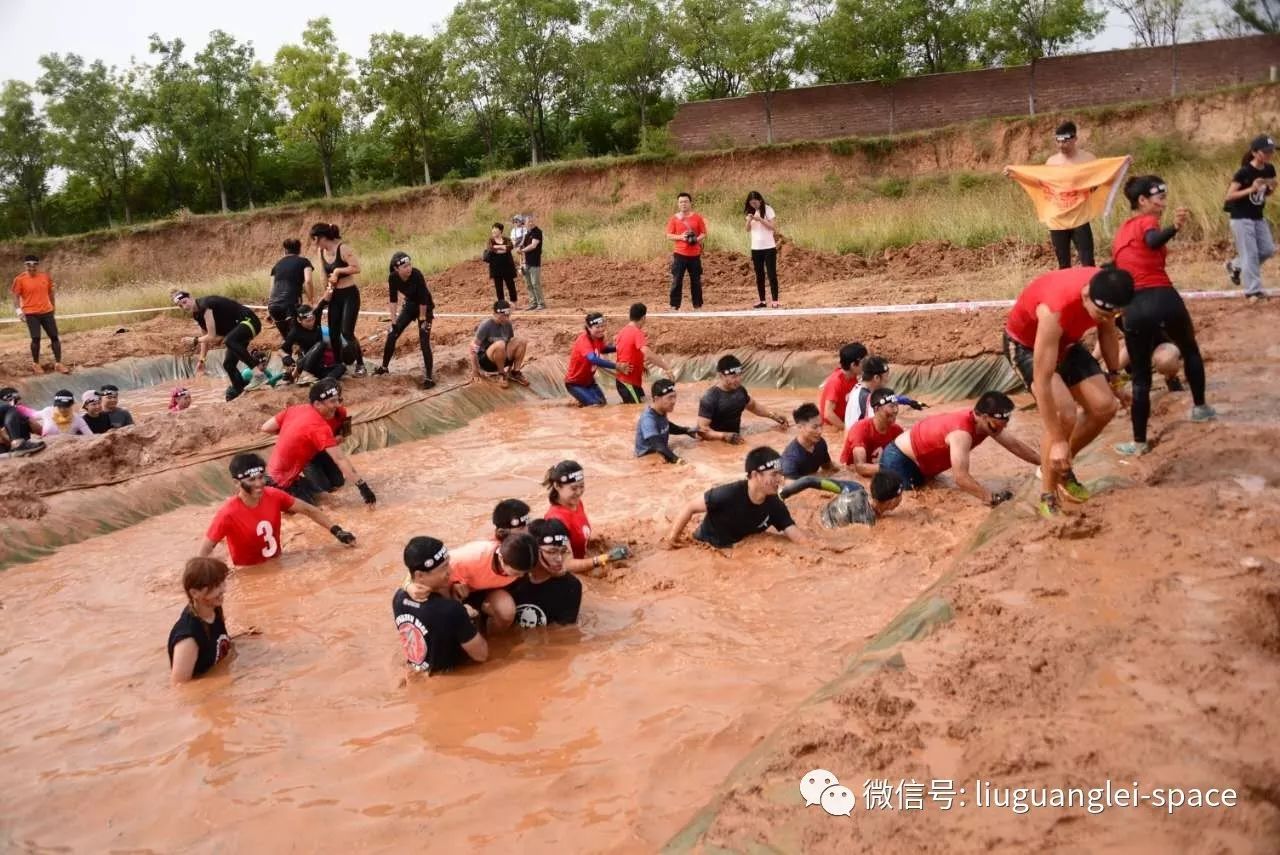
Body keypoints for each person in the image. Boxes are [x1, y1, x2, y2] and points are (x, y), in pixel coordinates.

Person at [1003, 266, 1133, 516]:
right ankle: (1048, 493)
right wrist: (1059, 440)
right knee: (1065, 415)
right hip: (1027, 346)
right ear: (1085, 296)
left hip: (1068, 342)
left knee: (1105, 406)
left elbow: (1107, 333)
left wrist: (1115, 380)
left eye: (1113, 315)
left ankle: (1060, 468)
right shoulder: (1055, 309)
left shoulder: (1105, 289)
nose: (1107, 319)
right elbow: (1042, 381)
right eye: (1102, 314)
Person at [1111, 175, 1215, 456]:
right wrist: (1175, 227)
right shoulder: (1147, 222)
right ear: (1142, 201)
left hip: (1135, 306)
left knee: (1142, 378)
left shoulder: (1121, 232)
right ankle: (1200, 407)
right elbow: (1154, 240)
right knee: (1190, 350)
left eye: (1164, 195)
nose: (1163, 201)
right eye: (1158, 196)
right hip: (1163, 296)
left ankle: (1139, 442)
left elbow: (1118, 267)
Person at [879, 391, 1040, 507]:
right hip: (899, 460)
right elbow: (961, 478)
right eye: (997, 426)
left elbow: (1016, 446)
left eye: (1003, 426)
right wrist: (992, 498)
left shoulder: (988, 425)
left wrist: (1044, 462)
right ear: (983, 417)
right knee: (906, 504)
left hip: (921, 463)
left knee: (926, 493)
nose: (1000, 430)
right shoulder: (962, 434)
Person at [198, 452, 356, 567]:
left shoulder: (274, 495)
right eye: (251, 479)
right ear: (236, 483)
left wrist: (337, 531)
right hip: (248, 573)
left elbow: (309, 510)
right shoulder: (228, 513)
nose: (259, 484)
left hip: (278, 561)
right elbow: (205, 550)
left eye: (261, 477)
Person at [261, 379, 377, 506]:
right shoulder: (319, 427)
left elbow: (266, 427)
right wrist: (363, 488)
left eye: (338, 400)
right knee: (315, 507)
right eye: (332, 401)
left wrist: (292, 434)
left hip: (286, 476)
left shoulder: (295, 409)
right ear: (317, 404)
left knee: (332, 497)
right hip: (279, 482)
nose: (337, 405)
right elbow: (340, 459)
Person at [666, 446, 807, 548]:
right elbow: (690, 507)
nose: (780, 479)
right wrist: (672, 538)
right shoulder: (727, 494)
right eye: (774, 474)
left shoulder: (775, 505)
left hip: (739, 548)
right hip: (705, 546)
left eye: (780, 474)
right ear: (755, 475)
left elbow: (796, 536)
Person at [393, 536, 489, 674]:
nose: (450, 571)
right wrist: (472, 619)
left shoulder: (398, 598)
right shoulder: (451, 610)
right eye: (444, 568)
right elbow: (481, 655)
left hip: (418, 670)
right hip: (452, 677)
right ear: (420, 575)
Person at [172, 289, 267, 401]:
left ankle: (258, 374)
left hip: (249, 321)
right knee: (228, 364)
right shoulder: (197, 315)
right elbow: (206, 339)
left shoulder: (204, 306)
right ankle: (241, 392)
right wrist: (202, 360)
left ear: (191, 297)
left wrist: (194, 340)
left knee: (229, 341)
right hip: (236, 332)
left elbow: (211, 336)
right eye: (181, 306)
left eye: (184, 302)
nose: (185, 306)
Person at [542, 460, 631, 573]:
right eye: (573, 488)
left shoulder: (576, 503)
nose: (579, 492)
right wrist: (604, 558)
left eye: (582, 486)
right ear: (557, 486)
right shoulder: (556, 520)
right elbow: (566, 565)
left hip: (584, 560)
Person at [445, 531, 539, 633]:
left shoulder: (526, 561)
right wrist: (455, 600)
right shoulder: (468, 559)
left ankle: (493, 642)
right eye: (516, 573)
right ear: (501, 559)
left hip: (486, 591)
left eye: (525, 573)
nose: (521, 576)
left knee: (506, 612)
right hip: (457, 591)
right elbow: (436, 577)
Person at [310, 222, 367, 377]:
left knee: (347, 332)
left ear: (321, 237)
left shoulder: (343, 248)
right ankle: (338, 364)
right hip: (334, 295)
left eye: (314, 239)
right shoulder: (321, 252)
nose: (314, 243)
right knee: (334, 333)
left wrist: (338, 270)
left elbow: (356, 268)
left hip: (349, 294)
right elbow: (322, 273)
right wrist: (326, 293)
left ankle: (360, 364)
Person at [1224, 134, 1276, 304]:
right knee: (1250, 254)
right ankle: (1253, 291)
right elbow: (1229, 196)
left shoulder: (1269, 169)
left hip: (1257, 216)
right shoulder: (1244, 172)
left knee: (1268, 249)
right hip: (1241, 217)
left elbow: (1265, 193)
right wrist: (1251, 188)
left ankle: (1236, 265)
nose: (1270, 154)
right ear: (1254, 152)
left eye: (1272, 150)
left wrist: (1271, 188)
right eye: (1266, 151)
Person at [168, 557, 234, 684]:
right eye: (215, 586)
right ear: (194, 593)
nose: (223, 589)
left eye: (222, 582)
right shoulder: (188, 639)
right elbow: (180, 686)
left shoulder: (214, 608)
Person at [509, 518, 583, 627]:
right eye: (551, 552)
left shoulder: (571, 586)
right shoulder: (512, 574)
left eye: (563, 551)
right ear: (533, 549)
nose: (559, 559)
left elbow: (564, 635)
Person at [377, 251, 436, 388]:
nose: (409, 268)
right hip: (410, 306)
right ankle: (384, 367)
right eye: (405, 267)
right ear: (396, 269)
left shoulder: (417, 274)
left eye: (409, 265)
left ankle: (429, 377)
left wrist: (423, 321)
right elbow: (393, 300)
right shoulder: (393, 277)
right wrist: (393, 322)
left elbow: (423, 299)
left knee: (424, 341)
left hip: (425, 307)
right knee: (392, 334)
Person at [697, 354, 788, 443]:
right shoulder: (710, 398)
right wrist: (724, 436)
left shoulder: (740, 390)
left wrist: (774, 416)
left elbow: (753, 406)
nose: (739, 379)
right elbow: (702, 431)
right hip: (715, 443)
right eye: (734, 377)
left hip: (736, 437)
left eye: (740, 375)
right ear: (721, 376)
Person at [777, 402, 860, 498]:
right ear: (800, 427)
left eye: (821, 425)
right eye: (815, 427)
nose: (820, 431)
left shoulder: (820, 443)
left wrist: (848, 471)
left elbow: (829, 467)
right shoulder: (790, 458)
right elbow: (792, 492)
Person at [1044, 121, 1097, 268]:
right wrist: (1015, 173)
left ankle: (1091, 290)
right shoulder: (1051, 162)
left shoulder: (1088, 159)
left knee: (1087, 262)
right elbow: (1043, 184)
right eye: (1058, 141)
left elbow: (1101, 177)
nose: (1061, 145)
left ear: (1074, 139)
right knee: (1063, 264)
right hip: (1058, 221)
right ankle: (1067, 291)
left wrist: (1123, 163)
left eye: (1065, 141)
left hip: (1080, 219)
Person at [11, 254, 67, 375]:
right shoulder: (19, 279)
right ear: (25, 265)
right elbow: (15, 297)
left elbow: (51, 293)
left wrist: (53, 307)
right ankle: (36, 364)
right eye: (28, 264)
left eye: (34, 264)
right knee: (36, 338)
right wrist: (19, 312)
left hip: (47, 312)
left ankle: (58, 363)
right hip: (31, 313)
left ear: (38, 265)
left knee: (54, 337)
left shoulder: (45, 277)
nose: (32, 267)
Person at [564, 312, 629, 407]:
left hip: (589, 382)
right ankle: (579, 400)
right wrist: (616, 366)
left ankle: (580, 401)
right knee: (595, 405)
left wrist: (619, 347)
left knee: (602, 403)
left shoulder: (598, 338)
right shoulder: (584, 340)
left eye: (602, 326)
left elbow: (603, 349)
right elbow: (593, 359)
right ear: (589, 328)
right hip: (575, 384)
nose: (601, 329)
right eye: (597, 327)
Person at [613, 303, 673, 404]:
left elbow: (625, 351)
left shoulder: (622, 332)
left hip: (626, 382)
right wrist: (666, 368)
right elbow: (648, 354)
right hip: (628, 382)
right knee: (635, 411)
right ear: (644, 317)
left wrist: (641, 365)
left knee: (641, 406)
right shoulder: (637, 332)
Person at [635, 378, 702, 464]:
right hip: (647, 459)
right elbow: (658, 446)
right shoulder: (648, 419)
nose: (674, 401)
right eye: (670, 398)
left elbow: (666, 426)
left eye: (674, 397)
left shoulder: (661, 411)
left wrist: (686, 430)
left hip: (660, 451)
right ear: (656, 399)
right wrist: (678, 461)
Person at [840, 388, 904, 476]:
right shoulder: (860, 429)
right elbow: (860, 467)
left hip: (879, 472)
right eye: (891, 406)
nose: (896, 410)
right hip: (850, 474)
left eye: (897, 406)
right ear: (877, 409)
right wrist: (891, 468)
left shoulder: (897, 431)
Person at [278, 303, 344, 385]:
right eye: (307, 321)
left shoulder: (317, 325)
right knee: (321, 344)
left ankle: (324, 382)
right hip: (305, 364)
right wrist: (286, 356)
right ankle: (303, 375)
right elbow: (281, 350)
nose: (311, 323)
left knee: (341, 367)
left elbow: (320, 305)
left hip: (319, 367)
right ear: (299, 320)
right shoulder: (295, 332)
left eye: (313, 319)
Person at [471, 300, 529, 389]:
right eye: (503, 316)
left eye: (507, 316)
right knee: (500, 344)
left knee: (522, 341)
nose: (505, 318)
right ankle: (501, 374)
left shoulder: (507, 324)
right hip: (487, 361)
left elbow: (511, 345)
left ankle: (515, 372)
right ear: (495, 314)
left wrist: (510, 368)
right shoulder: (486, 325)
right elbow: (473, 347)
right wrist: (475, 371)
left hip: (502, 357)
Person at [819, 472, 906, 528]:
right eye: (901, 494)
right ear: (891, 502)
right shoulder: (867, 520)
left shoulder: (860, 492)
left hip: (822, 517)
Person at [267, 238, 315, 337]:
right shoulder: (304, 262)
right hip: (291, 304)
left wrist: (269, 309)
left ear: (285, 251)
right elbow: (308, 281)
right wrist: (311, 300)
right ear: (299, 250)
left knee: (287, 338)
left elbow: (272, 288)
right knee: (299, 336)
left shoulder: (277, 265)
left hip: (273, 306)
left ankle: (287, 351)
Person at [667, 191, 708, 310]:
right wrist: (681, 237)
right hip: (680, 254)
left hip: (695, 254)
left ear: (690, 203)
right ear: (678, 204)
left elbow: (704, 233)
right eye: (681, 202)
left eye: (685, 201)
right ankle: (674, 305)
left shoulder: (697, 217)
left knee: (696, 280)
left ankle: (698, 305)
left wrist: (696, 239)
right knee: (677, 279)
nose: (683, 204)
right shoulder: (674, 218)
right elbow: (669, 235)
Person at [818, 342, 867, 430]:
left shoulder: (853, 377)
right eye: (864, 362)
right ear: (853, 365)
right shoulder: (836, 382)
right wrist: (847, 429)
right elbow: (828, 414)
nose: (867, 365)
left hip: (842, 421)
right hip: (831, 427)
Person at [745, 190, 780, 308]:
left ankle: (775, 300)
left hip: (769, 247)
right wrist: (749, 220)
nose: (753, 205)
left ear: (760, 200)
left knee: (771, 274)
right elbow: (747, 229)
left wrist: (760, 219)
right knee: (759, 275)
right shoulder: (750, 212)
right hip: (756, 248)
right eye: (751, 203)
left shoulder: (768, 209)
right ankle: (762, 300)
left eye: (755, 202)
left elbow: (773, 227)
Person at [843, 356, 891, 432]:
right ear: (876, 378)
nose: (888, 380)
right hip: (858, 441)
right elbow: (877, 429)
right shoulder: (869, 399)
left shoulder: (857, 387)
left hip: (851, 437)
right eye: (887, 376)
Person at [0, 387, 45, 457]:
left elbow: (41, 431)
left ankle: (19, 446)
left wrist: (28, 419)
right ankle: (18, 445)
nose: (19, 402)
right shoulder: (8, 412)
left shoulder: (20, 416)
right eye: (15, 400)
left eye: (18, 399)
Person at [486, 222, 518, 304]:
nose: (494, 233)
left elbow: (510, 247)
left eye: (495, 231)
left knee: (511, 285)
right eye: (493, 231)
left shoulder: (507, 239)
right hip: (496, 267)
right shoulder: (491, 240)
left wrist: (498, 247)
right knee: (499, 287)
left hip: (507, 266)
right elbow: (491, 249)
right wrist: (502, 248)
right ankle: (502, 304)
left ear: (500, 231)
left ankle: (514, 302)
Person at [519, 213, 546, 310]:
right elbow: (522, 245)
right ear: (525, 223)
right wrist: (520, 249)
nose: (530, 223)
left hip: (534, 262)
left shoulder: (537, 232)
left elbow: (533, 245)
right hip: (526, 262)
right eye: (528, 222)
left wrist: (522, 250)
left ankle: (541, 303)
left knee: (535, 283)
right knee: (528, 284)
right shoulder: (527, 233)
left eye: (531, 221)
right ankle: (533, 303)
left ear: (534, 222)